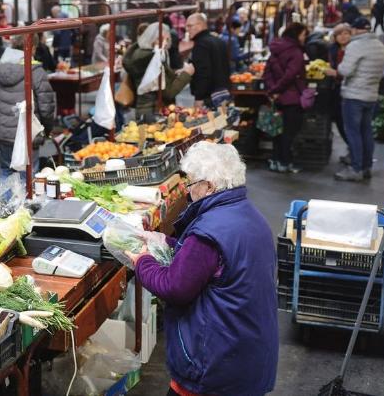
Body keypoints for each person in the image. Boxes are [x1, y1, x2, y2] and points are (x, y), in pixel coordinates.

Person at [125, 141, 278, 396]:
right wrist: (166, 242)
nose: (188, 191)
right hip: (249, 354)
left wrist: (142, 261)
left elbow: (175, 287)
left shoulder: (209, 232)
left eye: (191, 183)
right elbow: (205, 262)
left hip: (215, 365)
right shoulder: (249, 215)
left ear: (209, 186)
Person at [326, 17, 384, 181]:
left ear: (356, 29)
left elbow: (345, 70)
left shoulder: (356, 45)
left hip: (354, 95)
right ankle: (366, 167)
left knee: (353, 133)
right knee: (366, 132)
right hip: (371, 95)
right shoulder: (380, 45)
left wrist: (336, 68)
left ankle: (355, 168)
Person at [0, 35, 56, 179]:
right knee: (28, 176)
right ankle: (25, 202)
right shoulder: (36, 72)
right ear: (32, 48)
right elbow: (47, 107)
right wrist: (47, 129)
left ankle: (7, 202)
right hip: (28, 133)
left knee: (7, 172)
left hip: (4, 133)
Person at [263, 22, 309, 174]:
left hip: (277, 98)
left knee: (277, 131)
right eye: (303, 34)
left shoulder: (275, 49)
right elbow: (290, 75)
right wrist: (277, 90)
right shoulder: (295, 52)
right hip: (291, 97)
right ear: (296, 34)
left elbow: (267, 72)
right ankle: (285, 162)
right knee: (289, 132)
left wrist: (272, 90)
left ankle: (276, 161)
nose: (305, 37)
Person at [122, 23, 194, 120]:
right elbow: (168, 92)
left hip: (145, 109)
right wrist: (186, 74)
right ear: (150, 38)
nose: (165, 43)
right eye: (160, 39)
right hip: (154, 112)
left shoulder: (141, 54)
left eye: (167, 40)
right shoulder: (153, 59)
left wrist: (175, 74)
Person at [186, 13, 231, 106]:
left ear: (200, 25)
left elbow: (202, 73)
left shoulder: (201, 44)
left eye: (190, 26)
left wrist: (199, 97)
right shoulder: (219, 40)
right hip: (223, 93)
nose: (187, 30)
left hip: (209, 98)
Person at [327, 23, 352, 161]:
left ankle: (354, 151)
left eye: (346, 33)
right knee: (339, 120)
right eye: (339, 34)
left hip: (350, 89)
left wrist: (335, 73)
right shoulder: (332, 50)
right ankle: (352, 149)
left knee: (348, 122)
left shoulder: (353, 50)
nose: (343, 37)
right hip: (336, 90)